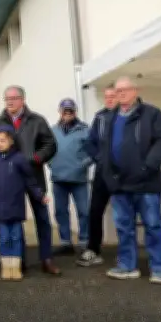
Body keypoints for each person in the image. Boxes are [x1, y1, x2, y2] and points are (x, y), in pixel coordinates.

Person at [97, 76, 161, 284]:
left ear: (135, 91)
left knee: (153, 226)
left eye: (125, 89)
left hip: (146, 182)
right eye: (118, 90)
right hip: (119, 184)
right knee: (124, 228)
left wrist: (147, 166)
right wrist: (107, 174)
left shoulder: (151, 113)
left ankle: (159, 269)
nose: (121, 93)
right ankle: (127, 266)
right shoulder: (110, 118)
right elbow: (103, 148)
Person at [0, 85, 61, 275]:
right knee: (14, 220)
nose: (10, 102)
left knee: (42, 218)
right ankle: (18, 260)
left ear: (23, 100)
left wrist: (36, 158)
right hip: (9, 180)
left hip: (33, 176)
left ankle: (46, 259)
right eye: (7, 99)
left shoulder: (37, 120)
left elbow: (50, 144)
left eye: (14, 98)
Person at [0, 125, 48, 280]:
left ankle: (15, 268)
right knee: (3, 238)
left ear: (11, 141)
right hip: (0, 208)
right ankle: (6, 268)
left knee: (15, 237)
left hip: (16, 206)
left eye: (3, 140)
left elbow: (30, 180)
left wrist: (39, 195)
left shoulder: (19, 158)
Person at [78, 84, 117, 266]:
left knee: (124, 212)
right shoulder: (100, 117)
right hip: (102, 173)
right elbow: (90, 142)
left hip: (121, 173)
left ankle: (126, 254)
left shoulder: (125, 117)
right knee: (94, 211)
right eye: (106, 96)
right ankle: (93, 249)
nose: (109, 99)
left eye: (112, 96)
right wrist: (99, 158)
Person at [49, 98, 91, 255]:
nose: (67, 113)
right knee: (60, 212)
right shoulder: (52, 131)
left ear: (75, 112)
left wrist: (82, 165)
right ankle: (65, 243)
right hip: (58, 179)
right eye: (64, 110)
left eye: (70, 110)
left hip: (79, 179)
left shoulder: (85, 130)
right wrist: (52, 164)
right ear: (60, 112)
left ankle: (84, 241)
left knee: (84, 211)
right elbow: (47, 150)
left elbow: (94, 151)